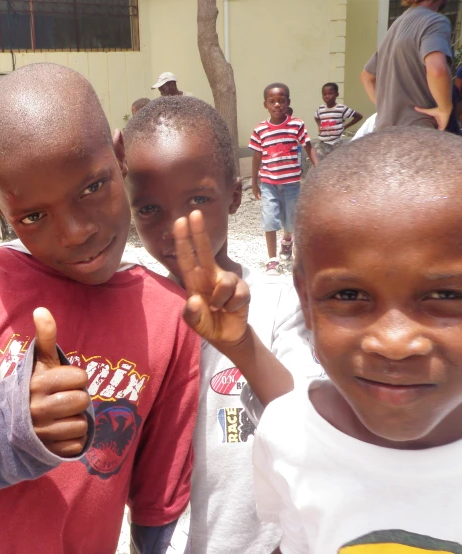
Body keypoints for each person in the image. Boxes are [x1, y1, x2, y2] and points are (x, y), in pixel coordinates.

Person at [0, 63, 200, 554]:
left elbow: (158, 500)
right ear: (0, 208)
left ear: (120, 154)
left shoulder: (171, 317)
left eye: (92, 187)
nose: (74, 232)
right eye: (34, 216)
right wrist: (9, 422)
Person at [124, 95, 323, 554]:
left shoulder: (276, 303)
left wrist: (241, 343)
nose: (177, 226)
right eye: (149, 208)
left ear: (234, 196)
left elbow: (306, 417)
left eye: (197, 200)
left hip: (264, 543)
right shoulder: (128, 304)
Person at [253, 127, 462, 552]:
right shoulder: (288, 433)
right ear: (306, 303)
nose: (395, 342)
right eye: (348, 295)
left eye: (446, 296)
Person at [250, 83, 318, 274]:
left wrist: (319, 168)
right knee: (269, 220)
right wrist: (254, 182)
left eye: (281, 101)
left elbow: (309, 147)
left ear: (288, 102)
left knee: (290, 222)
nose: (277, 105)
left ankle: (287, 240)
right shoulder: (260, 130)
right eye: (272, 101)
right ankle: (272, 260)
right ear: (265, 104)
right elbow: (257, 157)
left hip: (291, 185)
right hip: (269, 184)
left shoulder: (296, 125)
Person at [361, 0, 453, 131]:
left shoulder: (396, 25)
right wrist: (444, 110)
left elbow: (366, 77)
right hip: (418, 129)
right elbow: (437, 70)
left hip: (384, 133)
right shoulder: (435, 21)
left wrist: (386, 110)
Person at [314, 82, 363, 160]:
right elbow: (316, 117)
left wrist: (345, 126)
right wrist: (319, 125)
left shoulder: (341, 108)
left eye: (330, 93)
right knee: (319, 163)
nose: (327, 96)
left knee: (335, 163)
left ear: (337, 94)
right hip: (322, 143)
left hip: (335, 143)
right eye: (324, 94)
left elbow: (358, 116)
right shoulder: (321, 109)